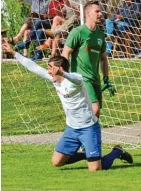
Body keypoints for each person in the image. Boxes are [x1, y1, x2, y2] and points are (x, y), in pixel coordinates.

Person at [2, 41, 133, 171]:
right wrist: (14, 52)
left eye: (50, 68)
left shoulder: (75, 80)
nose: (48, 71)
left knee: (96, 169)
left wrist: (62, 74)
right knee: (57, 162)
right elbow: (34, 67)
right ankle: (89, 156)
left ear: (60, 68)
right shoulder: (54, 80)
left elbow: (77, 79)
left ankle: (116, 151)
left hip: (88, 127)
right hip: (72, 129)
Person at [62, 1, 116, 118]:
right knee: (94, 108)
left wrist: (106, 77)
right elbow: (65, 53)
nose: (100, 14)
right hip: (82, 78)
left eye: (100, 11)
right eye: (97, 11)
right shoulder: (78, 32)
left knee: (95, 114)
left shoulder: (100, 35)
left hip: (95, 79)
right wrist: (65, 76)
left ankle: (87, 135)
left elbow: (103, 59)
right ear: (87, 13)